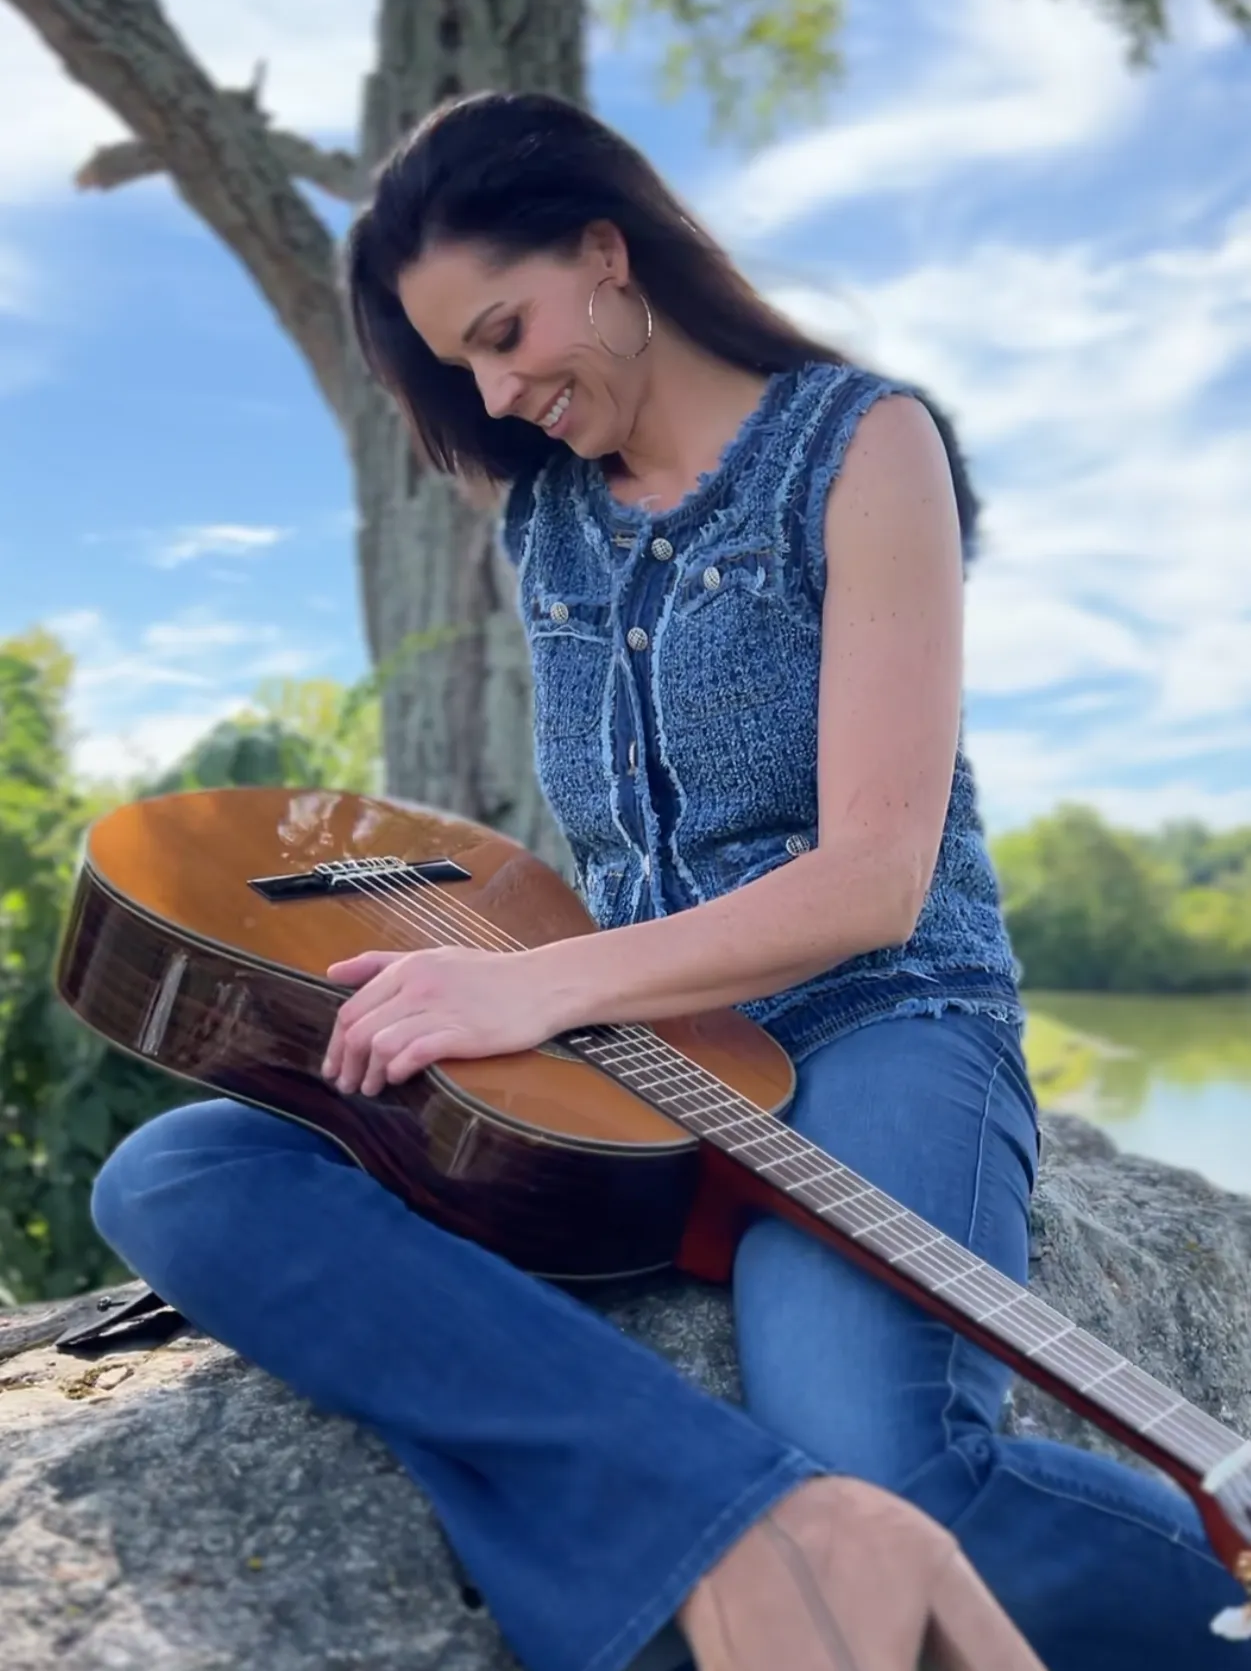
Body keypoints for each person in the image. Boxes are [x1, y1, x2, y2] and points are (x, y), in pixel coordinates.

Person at [88, 91, 1242, 1671]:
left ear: (608, 253)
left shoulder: (859, 443)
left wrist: (532, 985)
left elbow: (872, 880)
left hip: (872, 1020)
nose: (498, 390)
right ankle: (730, 1519)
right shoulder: (547, 518)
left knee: (894, 1477)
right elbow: (573, 864)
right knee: (183, 1173)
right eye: (462, 367)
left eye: (505, 330)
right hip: (632, 1058)